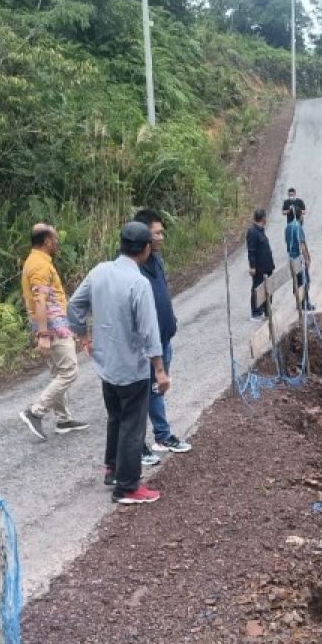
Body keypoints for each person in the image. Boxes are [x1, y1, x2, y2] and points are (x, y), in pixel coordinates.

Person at [68, 222, 170, 505]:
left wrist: (83, 337)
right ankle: (127, 487)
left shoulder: (99, 271)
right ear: (146, 249)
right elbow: (149, 331)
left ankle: (112, 468)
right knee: (132, 425)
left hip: (106, 365)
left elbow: (74, 306)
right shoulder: (139, 283)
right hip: (132, 366)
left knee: (116, 417)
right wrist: (159, 370)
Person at [18, 223, 88, 440]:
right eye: (55, 239)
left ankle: (64, 420)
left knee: (59, 373)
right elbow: (40, 300)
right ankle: (35, 411)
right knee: (69, 371)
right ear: (47, 241)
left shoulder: (35, 261)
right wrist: (44, 334)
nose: (57, 243)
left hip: (54, 325)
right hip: (54, 327)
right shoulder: (39, 265)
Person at [134, 209, 192, 459]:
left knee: (158, 389)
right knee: (139, 395)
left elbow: (162, 291)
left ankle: (162, 435)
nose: (161, 237)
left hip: (164, 339)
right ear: (143, 235)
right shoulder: (133, 266)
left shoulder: (157, 260)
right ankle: (137, 446)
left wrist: (171, 320)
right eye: (157, 233)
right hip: (144, 345)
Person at [285, 207, 315, 311]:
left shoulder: (288, 227)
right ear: (299, 216)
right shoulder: (298, 227)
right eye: (302, 215)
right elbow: (302, 243)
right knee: (305, 281)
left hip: (291, 258)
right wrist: (307, 258)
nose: (303, 217)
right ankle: (305, 303)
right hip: (299, 258)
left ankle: (298, 303)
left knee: (297, 282)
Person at [246, 208, 275, 319]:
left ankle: (266, 309)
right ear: (263, 218)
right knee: (257, 288)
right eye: (265, 217)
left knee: (268, 288)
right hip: (259, 267)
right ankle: (256, 312)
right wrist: (252, 266)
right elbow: (251, 250)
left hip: (267, 266)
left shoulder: (260, 230)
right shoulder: (252, 232)